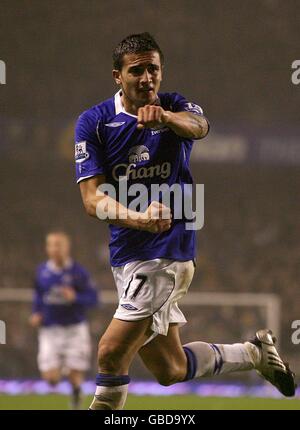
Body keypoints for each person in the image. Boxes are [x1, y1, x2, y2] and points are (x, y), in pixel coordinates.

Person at [75, 32, 295, 410]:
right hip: (128, 252)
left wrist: (165, 117)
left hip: (167, 252)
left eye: (153, 69)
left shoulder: (175, 106)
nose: (147, 78)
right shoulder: (94, 123)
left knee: (111, 353)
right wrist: (138, 218)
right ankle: (253, 353)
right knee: (170, 368)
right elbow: (92, 199)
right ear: (117, 76)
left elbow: (199, 126)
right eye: (137, 70)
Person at [29, 231, 98, 409]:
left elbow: (94, 299)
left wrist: (75, 297)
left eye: (58, 245)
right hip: (50, 330)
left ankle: (76, 395)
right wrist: (36, 312)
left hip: (74, 329)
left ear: (67, 248)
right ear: (47, 248)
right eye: (51, 245)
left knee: (75, 373)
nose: (55, 249)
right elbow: (38, 296)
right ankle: (63, 368)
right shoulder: (42, 271)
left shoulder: (78, 272)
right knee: (51, 380)